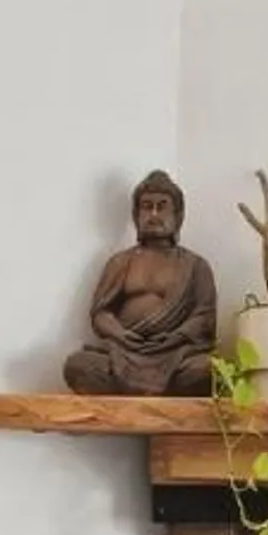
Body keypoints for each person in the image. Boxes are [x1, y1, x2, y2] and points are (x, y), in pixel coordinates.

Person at [65, 169, 222, 395]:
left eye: (162, 206)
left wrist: (175, 337)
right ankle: (149, 390)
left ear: (178, 216)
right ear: (136, 215)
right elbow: (100, 313)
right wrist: (121, 334)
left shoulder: (195, 266)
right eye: (147, 206)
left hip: (176, 354)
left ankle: (148, 389)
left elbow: (205, 317)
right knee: (78, 365)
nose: (154, 214)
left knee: (209, 371)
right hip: (124, 351)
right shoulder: (121, 262)